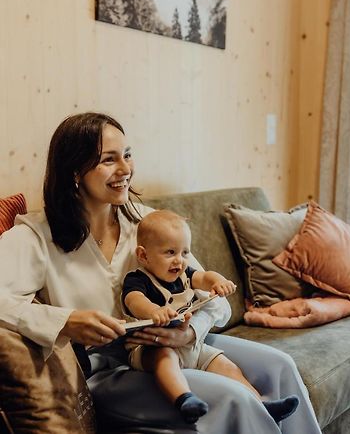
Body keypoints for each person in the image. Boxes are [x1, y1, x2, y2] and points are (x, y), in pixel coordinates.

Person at [0, 112, 322, 434]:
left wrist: (191, 331)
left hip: (179, 347)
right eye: (109, 160)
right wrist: (66, 321)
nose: (126, 169)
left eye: (127, 155)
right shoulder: (36, 237)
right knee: (234, 398)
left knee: (280, 367)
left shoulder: (149, 224)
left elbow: (215, 301)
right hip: (108, 371)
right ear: (74, 171)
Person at [122, 209, 300, 424]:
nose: (179, 260)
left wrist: (218, 281)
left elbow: (204, 276)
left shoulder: (184, 274)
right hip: (149, 347)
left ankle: (261, 404)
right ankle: (184, 399)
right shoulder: (138, 279)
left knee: (225, 364)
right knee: (165, 359)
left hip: (190, 345)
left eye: (185, 252)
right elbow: (134, 300)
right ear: (143, 255)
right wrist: (153, 310)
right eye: (170, 252)